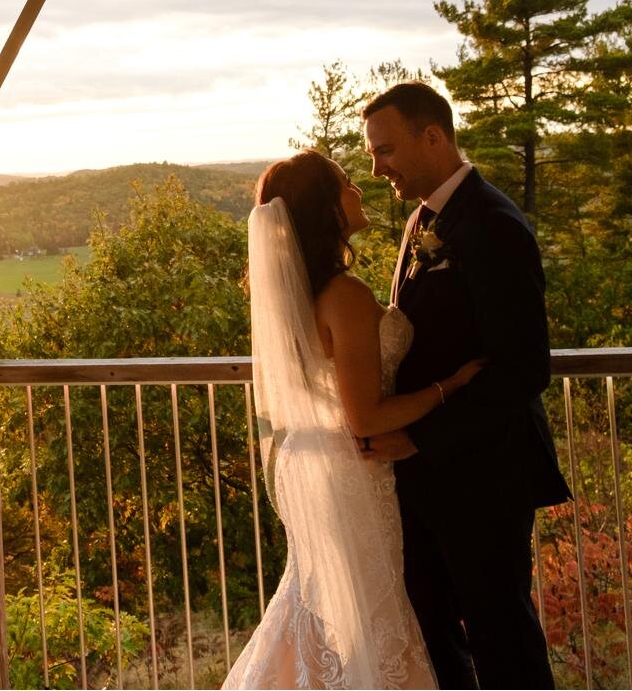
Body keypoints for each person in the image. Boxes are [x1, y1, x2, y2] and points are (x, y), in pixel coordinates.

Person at [226, 148, 483, 690]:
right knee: (365, 611)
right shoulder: (343, 295)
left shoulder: (313, 294)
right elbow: (365, 415)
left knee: (322, 605)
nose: (359, 188)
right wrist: (450, 386)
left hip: (317, 461)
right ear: (325, 208)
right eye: (345, 182)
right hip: (351, 469)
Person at [363, 81, 569, 690]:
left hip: (487, 474)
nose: (377, 168)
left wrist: (420, 437)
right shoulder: (421, 220)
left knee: (501, 635)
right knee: (432, 633)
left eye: (386, 150)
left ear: (433, 136)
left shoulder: (494, 223)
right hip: (426, 477)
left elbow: (525, 367)